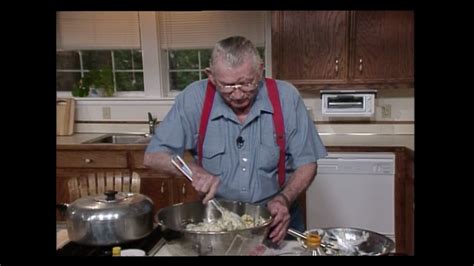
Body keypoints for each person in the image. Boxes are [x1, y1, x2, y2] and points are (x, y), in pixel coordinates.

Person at [144, 36, 327, 244]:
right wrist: (194, 171)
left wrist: (284, 199)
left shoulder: (286, 97)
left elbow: (307, 162)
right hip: (216, 222)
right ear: (211, 76)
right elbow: (153, 156)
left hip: (275, 219)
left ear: (260, 70)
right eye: (228, 85)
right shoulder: (194, 98)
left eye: (247, 83)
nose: (238, 94)